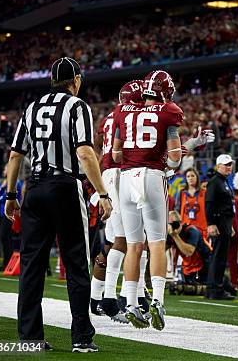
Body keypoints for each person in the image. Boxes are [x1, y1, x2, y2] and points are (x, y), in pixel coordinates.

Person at [6, 57, 112, 352]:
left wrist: (12, 195)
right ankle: (81, 337)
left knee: (31, 265)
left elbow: (15, 155)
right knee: (77, 262)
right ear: (76, 79)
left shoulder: (32, 107)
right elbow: (85, 153)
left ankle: (29, 338)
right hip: (65, 186)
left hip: (34, 187)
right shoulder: (77, 107)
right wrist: (103, 194)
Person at [112, 69, 184, 330]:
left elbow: (117, 153)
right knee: (156, 243)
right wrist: (169, 158)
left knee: (133, 246)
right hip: (152, 176)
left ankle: (130, 303)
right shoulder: (169, 111)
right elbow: (175, 157)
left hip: (126, 177)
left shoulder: (122, 111)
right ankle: (157, 300)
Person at [97, 80, 146, 324]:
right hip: (121, 174)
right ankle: (119, 297)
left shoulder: (110, 116)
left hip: (108, 175)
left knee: (122, 239)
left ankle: (117, 295)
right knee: (128, 239)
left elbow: (102, 149)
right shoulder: (129, 114)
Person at [205, 154, 237, 300]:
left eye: (230, 164)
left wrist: (229, 225)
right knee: (218, 256)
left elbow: (226, 204)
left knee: (221, 256)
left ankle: (215, 287)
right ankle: (214, 289)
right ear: (218, 166)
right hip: (218, 222)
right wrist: (211, 223)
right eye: (226, 164)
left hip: (224, 222)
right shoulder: (215, 182)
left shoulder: (223, 181)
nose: (228, 167)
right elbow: (209, 203)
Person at [0, 164, 23, 270]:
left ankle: (7, 263)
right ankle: (6, 262)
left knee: (6, 237)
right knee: (4, 238)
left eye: (5, 168)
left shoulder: (15, 183)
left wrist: (3, 193)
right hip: (3, 214)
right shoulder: (5, 183)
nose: (4, 170)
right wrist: (2, 187)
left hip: (10, 214)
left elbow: (3, 199)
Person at [176, 167, 208, 239]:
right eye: (188, 176)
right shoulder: (182, 193)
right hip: (185, 228)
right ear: (186, 179)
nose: (190, 178)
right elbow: (177, 209)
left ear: (197, 177)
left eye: (193, 176)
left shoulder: (204, 192)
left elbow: (209, 210)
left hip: (201, 228)